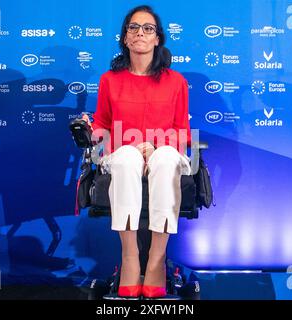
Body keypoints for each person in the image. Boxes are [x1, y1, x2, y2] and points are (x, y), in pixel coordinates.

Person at [82, 5, 191, 298]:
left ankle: (156, 259)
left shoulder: (176, 81)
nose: (140, 33)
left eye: (148, 28)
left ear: (157, 39)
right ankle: (129, 257)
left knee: (167, 158)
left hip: (163, 152)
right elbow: (103, 124)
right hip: (123, 155)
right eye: (133, 27)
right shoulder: (109, 80)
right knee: (129, 156)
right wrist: (91, 132)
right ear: (125, 37)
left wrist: (157, 147)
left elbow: (182, 132)